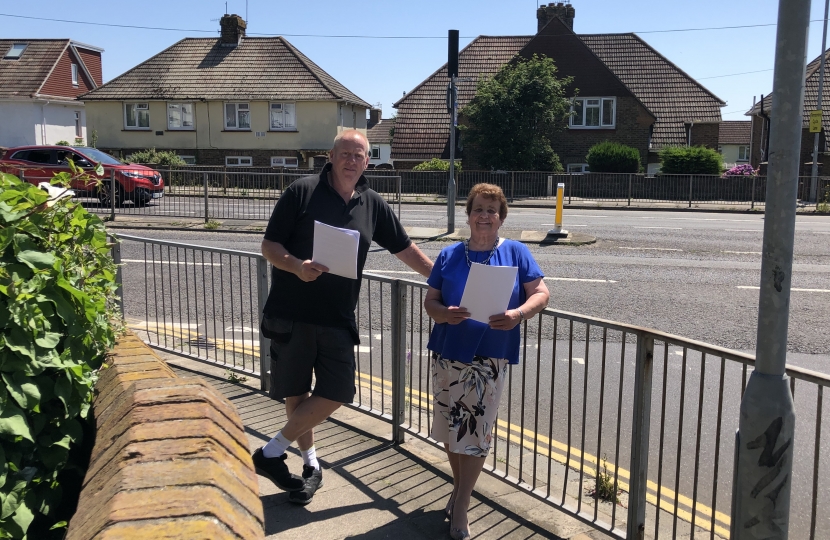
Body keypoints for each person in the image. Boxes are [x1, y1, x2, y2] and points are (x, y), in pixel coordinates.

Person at [254, 129, 433, 504]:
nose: (352, 160)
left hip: (337, 316)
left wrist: (443, 280)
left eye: (360, 155)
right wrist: (297, 266)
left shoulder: (372, 203)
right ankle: (310, 464)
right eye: (346, 153)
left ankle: (270, 453)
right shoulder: (301, 192)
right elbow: (269, 245)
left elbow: (405, 248)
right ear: (331, 156)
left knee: (338, 391)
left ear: (368, 161)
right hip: (292, 313)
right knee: (297, 393)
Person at [424, 183, 549, 539]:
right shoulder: (449, 254)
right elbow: (430, 301)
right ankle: (459, 491)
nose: (484, 216)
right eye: (478, 209)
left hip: (489, 356)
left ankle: (461, 505)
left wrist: (519, 314)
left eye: (492, 211)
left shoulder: (517, 252)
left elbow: (541, 293)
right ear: (469, 213)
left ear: (501, 217)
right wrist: (443, 314)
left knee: (475, 433)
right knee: (451, 429)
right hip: (449, 350)